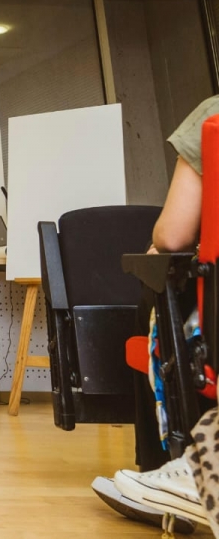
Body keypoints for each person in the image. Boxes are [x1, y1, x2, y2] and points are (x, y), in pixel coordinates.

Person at [106, 95, 219, 533]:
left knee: (155, 291)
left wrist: (163, 248)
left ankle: (168, 469)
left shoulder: (214, 114)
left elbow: (172, 236)